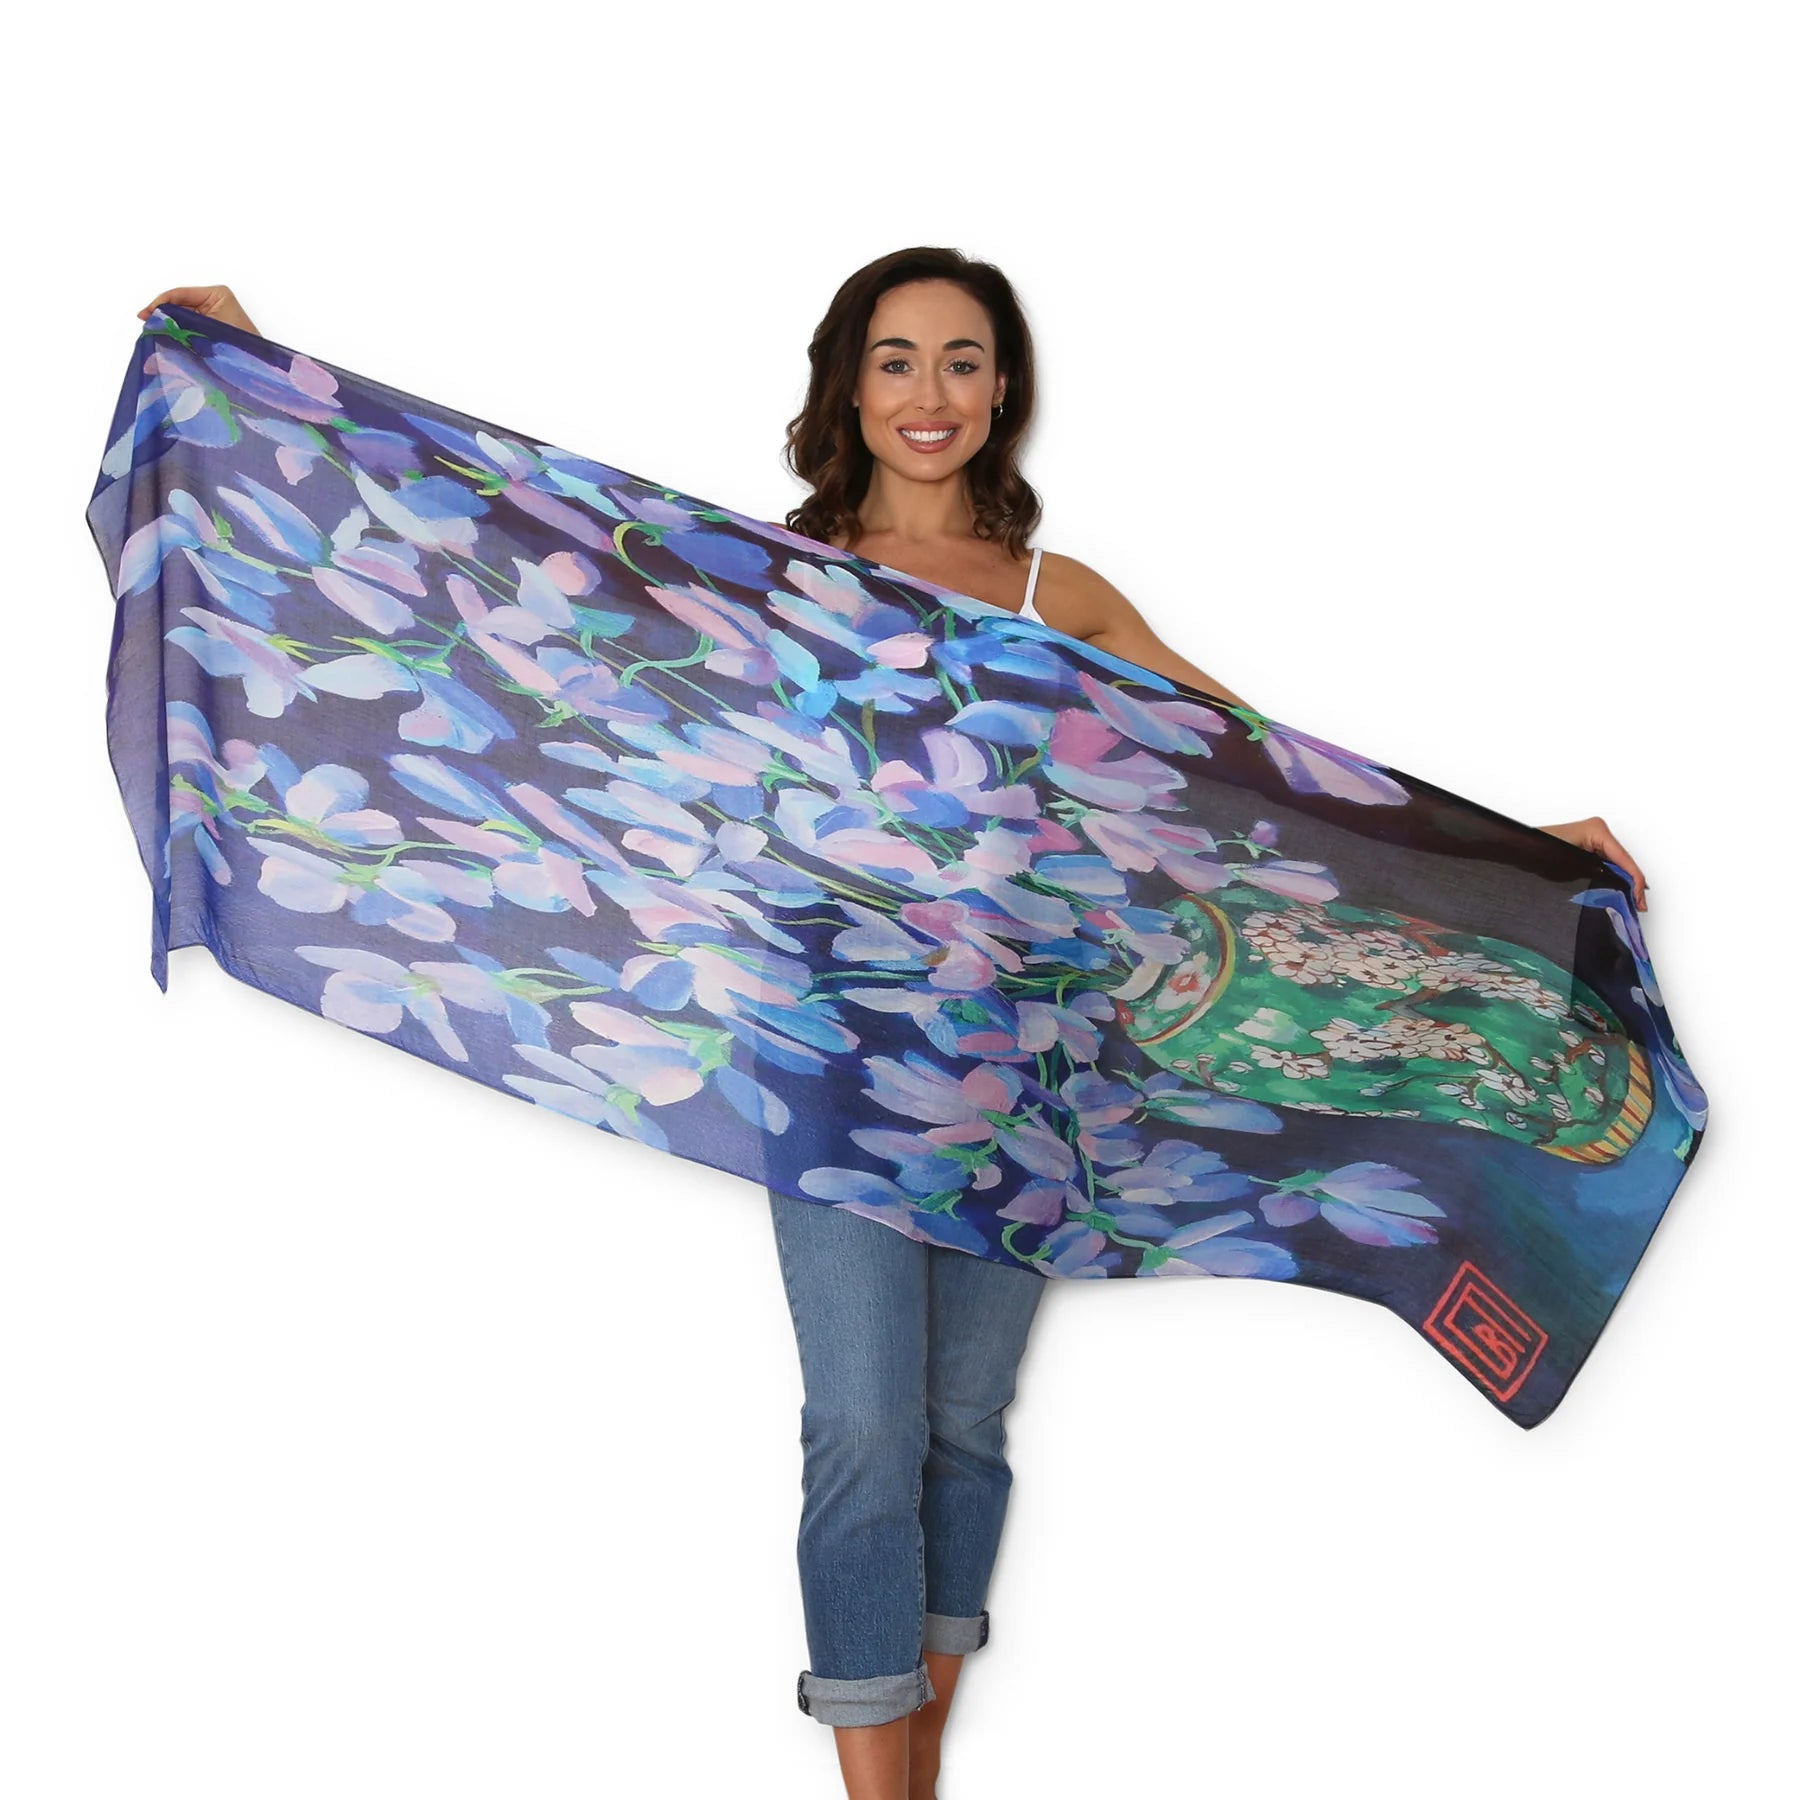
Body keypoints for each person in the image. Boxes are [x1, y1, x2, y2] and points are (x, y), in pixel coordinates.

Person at [134, 269, 1654, 1800]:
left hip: (1034, 1057)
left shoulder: (1062, 598)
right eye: (898, 360)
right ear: (850, 390)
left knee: (962, 1427)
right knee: (863, 1423)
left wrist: (1526, 849)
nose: (931, 394)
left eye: (964, 363)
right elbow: (523, 582)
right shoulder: (770, 578)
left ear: (1003, 392)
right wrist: (256, 376)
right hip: (833, 1052)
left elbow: (1271, 774)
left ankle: (912, 1773)